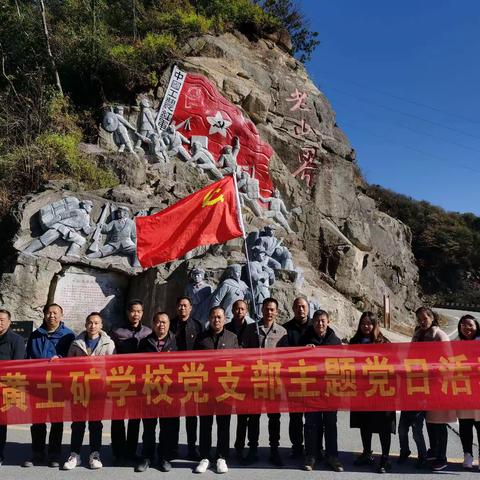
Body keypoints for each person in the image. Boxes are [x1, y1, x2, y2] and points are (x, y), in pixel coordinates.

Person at [23, 303, 75, 468]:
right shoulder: (35, 335)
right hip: (38, 384)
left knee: (56, 421)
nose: (52, 316)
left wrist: (60, 358)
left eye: (55, 313)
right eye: (49, 313)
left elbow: (73, 359)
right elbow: (27, 357)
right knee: (37, 421)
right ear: (44, 315)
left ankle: (54, 454)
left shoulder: (69, 336)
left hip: (57, 385)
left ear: (61, 315)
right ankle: (37, 453)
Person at [63, 312, 115, 470]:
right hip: (79, 388)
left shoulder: (108, 344)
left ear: (101, 326)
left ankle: (95, 454)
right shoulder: (76, 343)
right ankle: (75, 454)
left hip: (98, 389)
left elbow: (112, 366)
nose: (93, 326)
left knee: (95, 423)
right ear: (86, 325)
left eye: (96, 323)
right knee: (78, 423)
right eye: (90, 323)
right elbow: (68, 366)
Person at [242, 298, 288, 466]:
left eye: (272, 309)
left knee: (274, 418)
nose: (269, 312)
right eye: (267, 309)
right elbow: (242, 352)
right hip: (255, 380)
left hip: (274, 381)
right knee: (253, 417)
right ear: (262, 310)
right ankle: (252, 449)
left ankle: (274, 450)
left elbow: (287, 358)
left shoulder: (282, 332)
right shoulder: (251, 329)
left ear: (276, 312)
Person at [193, 306, 239, 474]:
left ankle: (221, 457)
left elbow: (238, 363)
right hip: (205, 389)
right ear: (209, 319)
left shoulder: (232, 338)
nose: (216, 320)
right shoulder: (201, 338)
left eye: (219, 317)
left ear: (224, 319)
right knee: (205, 424)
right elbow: (193, 363)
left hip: (225, 389)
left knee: (223, 425)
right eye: (213, 317)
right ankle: (204, 457)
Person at [349, 311, 395, 474]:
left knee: (383, 425)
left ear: (375, 325)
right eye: (363, 323)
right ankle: (367, 453)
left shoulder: (384, 342)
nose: (366, 326)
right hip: (362, 391)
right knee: (364, 423)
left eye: (369, 323)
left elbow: (394, 365)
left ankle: (385, 457)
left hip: (381, 391)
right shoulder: (354, 341)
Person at [299, 310, 343, 472]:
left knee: (330, 424)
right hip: (311, 389)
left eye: (323, 321)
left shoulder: (335, 341)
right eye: (317, 321)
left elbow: (343, 365)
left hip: (331, 390)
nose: (320, 324)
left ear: (328, 322)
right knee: (311, 424)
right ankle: (311, 455)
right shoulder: (304, 339)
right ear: (313, 323)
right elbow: (294, 362)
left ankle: (332, 456)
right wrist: (303, 351)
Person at [412, 306, 454, 472]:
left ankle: (442, 457)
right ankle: (434, 450)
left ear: (432, 317)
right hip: (421, 385)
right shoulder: (417, 334)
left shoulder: (439, 335)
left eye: (425, 318)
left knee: (439, 422)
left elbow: (448, 360)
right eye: (419, 319)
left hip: (437, 385)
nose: (422, 321)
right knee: (430, 420)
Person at [110, 300, 152, 465]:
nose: (136, 314)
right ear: (128, 313)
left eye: (139, 311)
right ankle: (118, 452)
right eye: (133, 311)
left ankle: (131, 451)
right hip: (120, 380)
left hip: (140, 382)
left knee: (135, 418)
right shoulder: (116, 331)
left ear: (142, 313)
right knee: (118, 417)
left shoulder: (148, 332)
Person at [135, 312, 178, 473]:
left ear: (169, 324)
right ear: (153, 324)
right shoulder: (145, 342)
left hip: (169, 391)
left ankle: (164, 458)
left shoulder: (176, 342)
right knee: (149, 427)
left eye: (165, 322)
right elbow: (137, 366)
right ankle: (147, 457)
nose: (162, 325)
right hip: (150, 391)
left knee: (167, 427)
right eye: (158, 322)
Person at [169, 297, 203, 460]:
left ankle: (192, 448)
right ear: (176, 308)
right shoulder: (169, 324)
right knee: (173, 415)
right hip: (173, 376)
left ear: (190, 308)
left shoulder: (197, 325)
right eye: (180, 305)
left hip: (191, 375)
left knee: (191, 415)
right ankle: (173, 448)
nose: (182, 308)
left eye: (185, 306)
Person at [225, 300, 254, 460]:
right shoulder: (226, 328)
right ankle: (223, 447)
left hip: (246, 376)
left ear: (246, 311)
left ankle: (240, 446)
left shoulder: (251, 328)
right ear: (232, 310)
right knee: (226, 414)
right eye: (236, 308)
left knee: (244, 415)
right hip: (228, 375)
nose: (239, 311)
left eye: (242, 309)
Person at [283, 297, 312, 459]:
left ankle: (313, 447)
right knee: (295, 418)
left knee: (312, 418)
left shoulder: (316, 326)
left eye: (303, 306)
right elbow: (284, 353)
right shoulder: (286, 329)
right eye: (297, 307)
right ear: (293, 309)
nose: (301, 309)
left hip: (313, 381)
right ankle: (296, 446)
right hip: (293, 380)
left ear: (308, 308)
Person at [0, 309, 26, 465]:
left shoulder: (16, 340)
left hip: (4, 388)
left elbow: (18, 367)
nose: (0, 322)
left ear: (9, 322)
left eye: (2, 320)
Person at [456, 314, 480, 469]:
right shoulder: (456, 344)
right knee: (465, 425)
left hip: (478, 390)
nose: (466, 328)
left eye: (470, 325)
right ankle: (467, 455)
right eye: (463, 325)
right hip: (463, 390)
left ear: (476, 326)